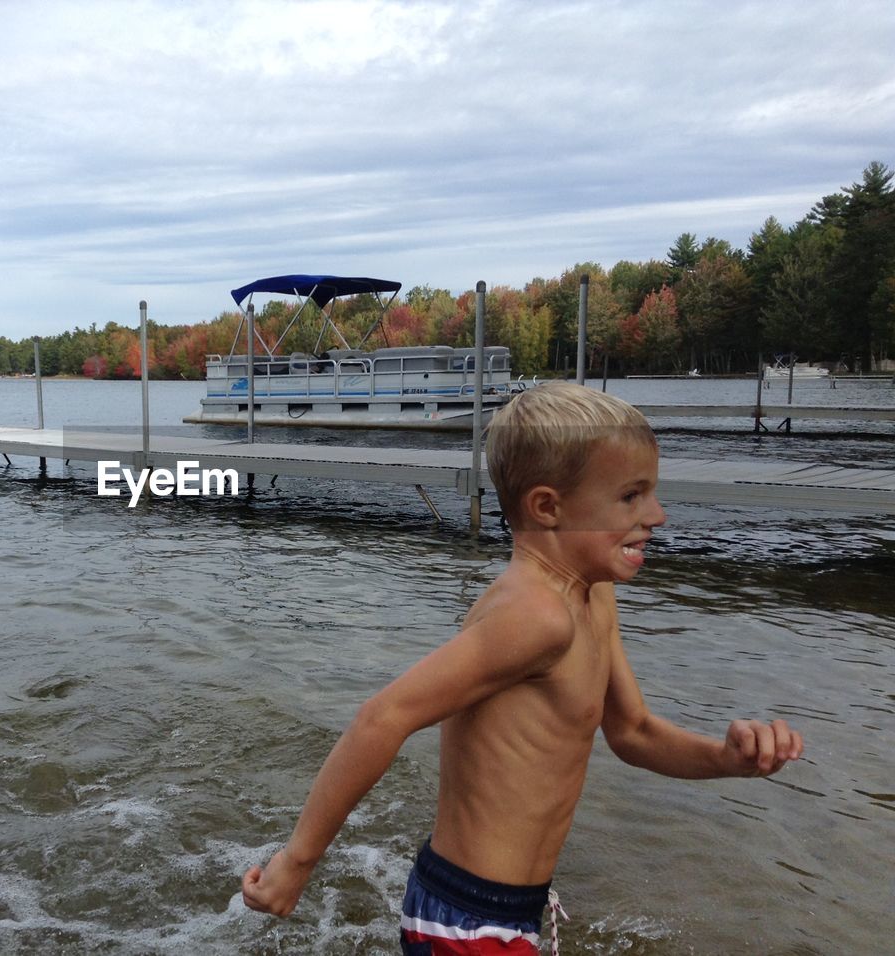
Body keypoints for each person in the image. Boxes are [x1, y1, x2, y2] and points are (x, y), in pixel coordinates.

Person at [241, 382, 804, 954]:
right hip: (465, 921)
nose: (656, 515)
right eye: (631, 496)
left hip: (511, 910)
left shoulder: (593, 596)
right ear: (548, 508)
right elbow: (383, 717)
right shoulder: (538, 618)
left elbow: (632, 732)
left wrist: (726, 760)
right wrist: (296, 863)